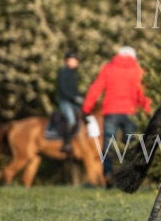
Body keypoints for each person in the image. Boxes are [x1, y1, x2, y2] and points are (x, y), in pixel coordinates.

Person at [82, 46, 152, 184]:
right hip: (130, 113)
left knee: (109, 144)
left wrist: (86, 109)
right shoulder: (137, 71)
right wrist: (148, 111)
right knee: (130, 145)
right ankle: (127, 175)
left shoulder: (108, 69)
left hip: (111, 113)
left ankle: (108, 173)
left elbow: (95, 89)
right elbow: (142, 95)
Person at [56, 51, 83, 153]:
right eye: (73, 60)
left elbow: (74, 90)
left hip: (74, 102)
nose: (75, 62)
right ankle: (66, 143)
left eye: (76, 60)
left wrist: (81, 97)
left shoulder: (74, 74)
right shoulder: (63, 73)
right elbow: (63, 89)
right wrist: (74, 98)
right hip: (65, 101)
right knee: (71, 120)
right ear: (67, 61)